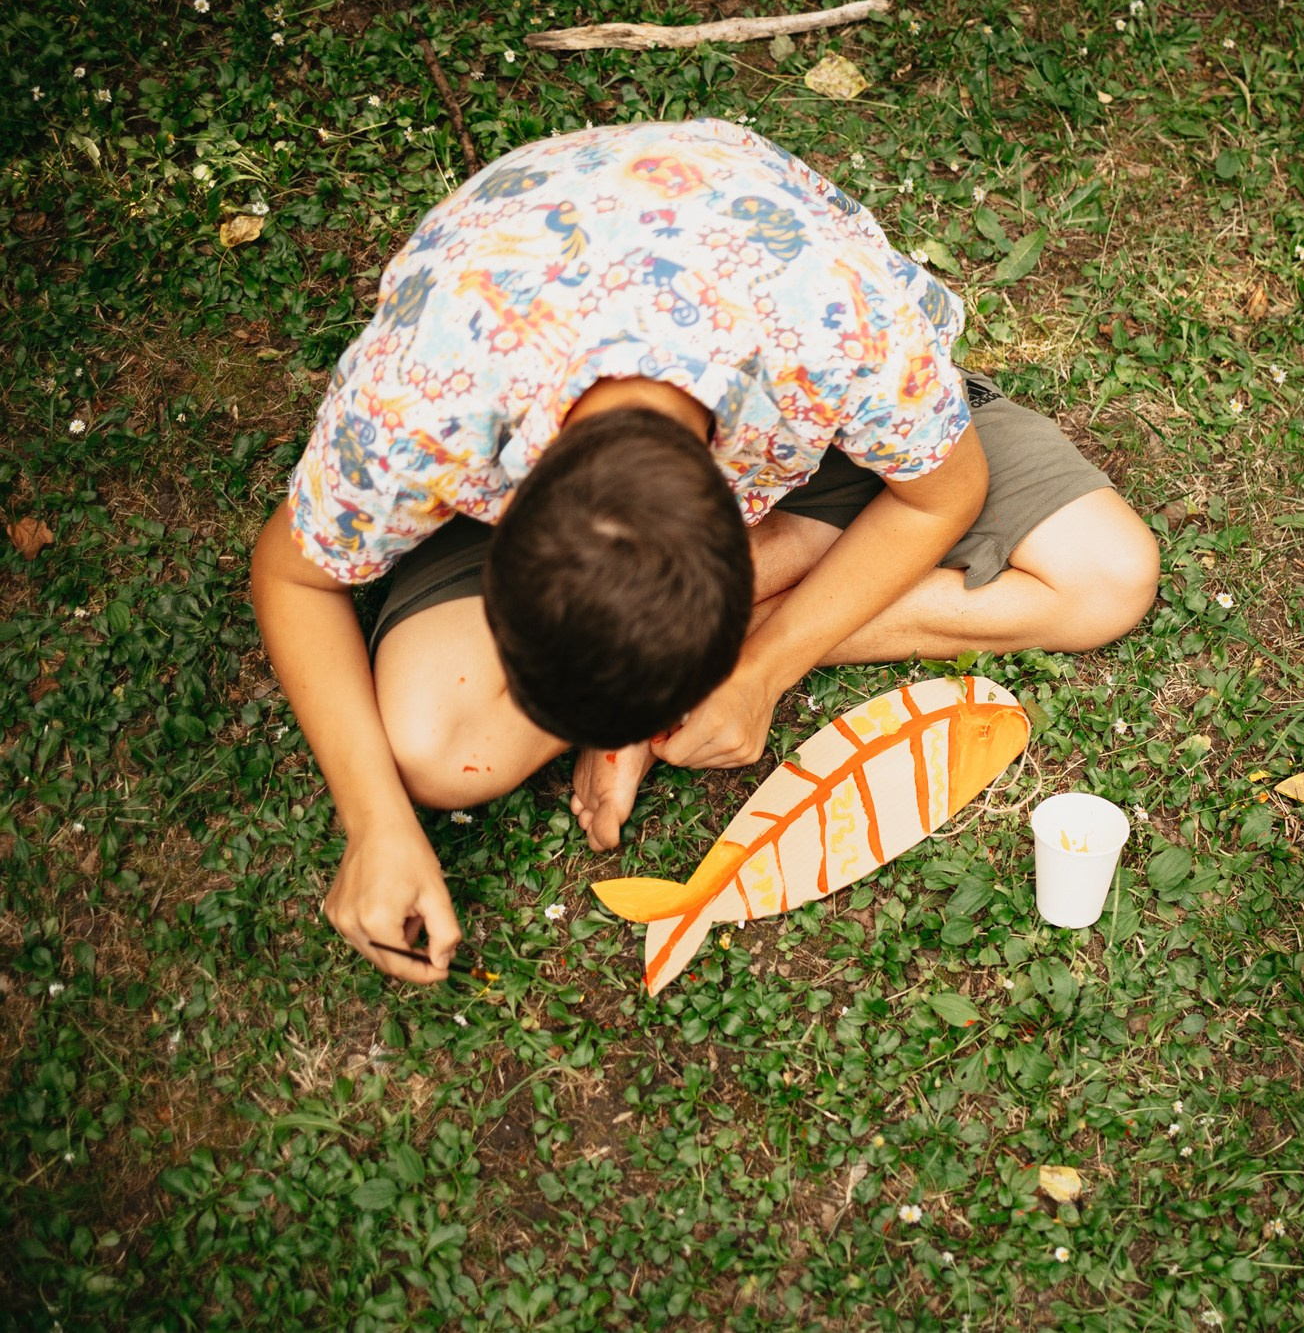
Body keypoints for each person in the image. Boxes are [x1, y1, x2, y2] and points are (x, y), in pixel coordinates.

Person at [249, 120, 1160, 984]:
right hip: (560, 337)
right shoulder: (427, 402)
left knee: (1108, 579)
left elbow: (945, 491)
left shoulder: (838, 324)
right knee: (431, 759)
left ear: (747, 528)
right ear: (496, 519)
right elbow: (289, 572)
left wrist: (760, 669)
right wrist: (375, 823)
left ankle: (776, 579)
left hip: (807, 411)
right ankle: (770, 587)